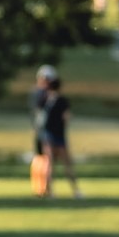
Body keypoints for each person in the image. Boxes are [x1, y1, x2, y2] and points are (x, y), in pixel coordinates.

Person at [37, 77, 82, 199]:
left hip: (47, 136)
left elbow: (39, 117)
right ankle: (76, 191)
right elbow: (66, 118)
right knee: (67, 163)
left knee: (49, 164)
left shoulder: (44, 100)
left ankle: (49, 191)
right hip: (59, 136)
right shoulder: (62, 101)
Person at [28, 65, 57, 197]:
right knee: (44, 160)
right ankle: (43, 187)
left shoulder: (36, 92)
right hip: (43, 131)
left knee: (40, 159)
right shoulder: (44, 94)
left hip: (39, 130)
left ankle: (39, 188)